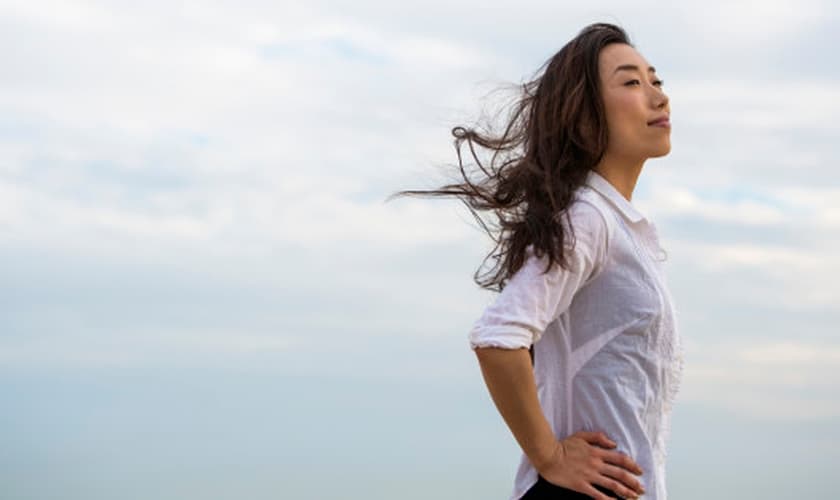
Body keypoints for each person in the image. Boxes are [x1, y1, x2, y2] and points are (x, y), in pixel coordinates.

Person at [388, 22, 684, 500]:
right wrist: (550, 457)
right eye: (631, 82)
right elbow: (497, 338)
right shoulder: (590, 219)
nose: (657, 96)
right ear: (585, 118)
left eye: (657, 81)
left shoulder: (622, 229)